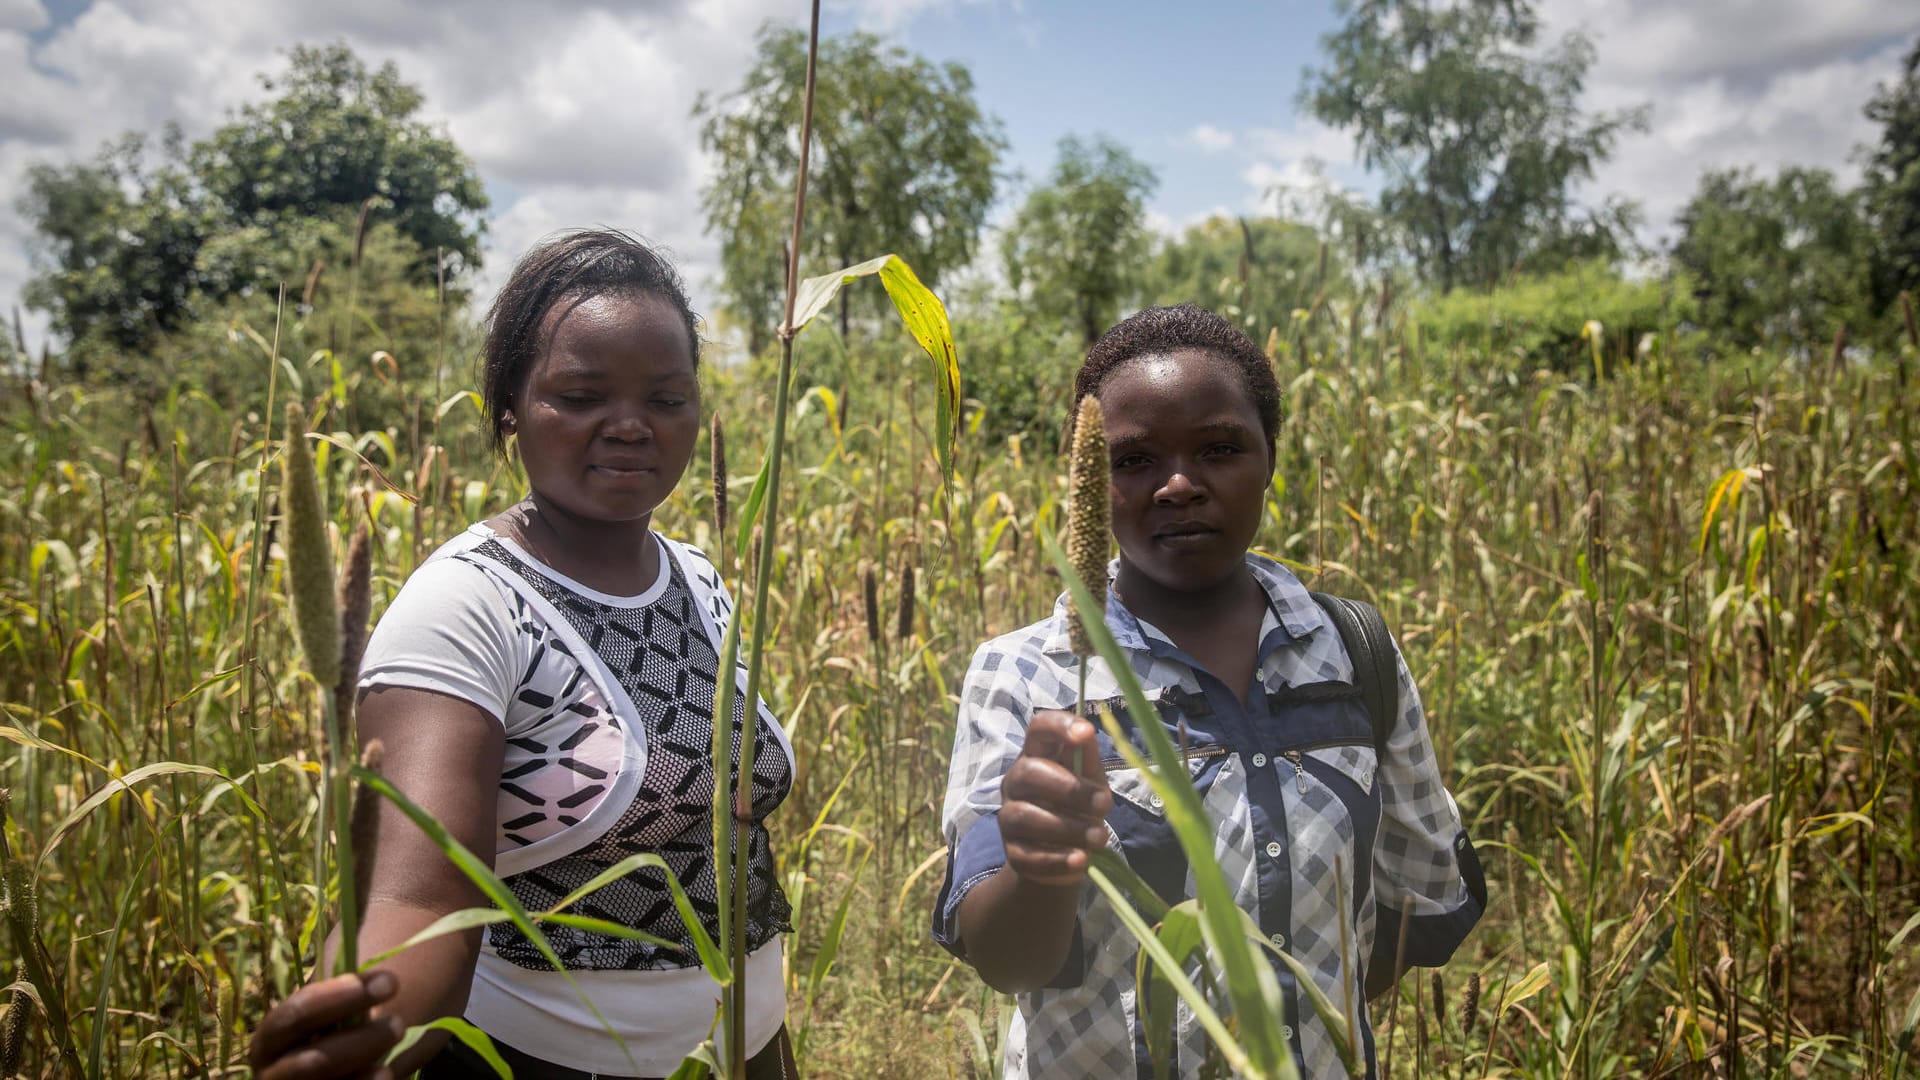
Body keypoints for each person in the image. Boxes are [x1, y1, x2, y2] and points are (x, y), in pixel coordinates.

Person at [249, 229, 796, 1080]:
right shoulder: (466, 606)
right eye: (580, 396)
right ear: (508, 409)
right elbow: (418, 895)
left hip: (749, 1050)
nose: (629, 426)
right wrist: (376, 1017)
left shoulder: (696, 578)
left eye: (667, 398)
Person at [932, 304, 1485, 1079]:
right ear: (1087, 483)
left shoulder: (1352, 652)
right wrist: (1037, 867)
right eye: (1133, 461)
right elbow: (1006, 961)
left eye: (1220, 449)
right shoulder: (1029, 675)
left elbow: (1412, 909)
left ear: (1270, 459)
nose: (1180, 485)